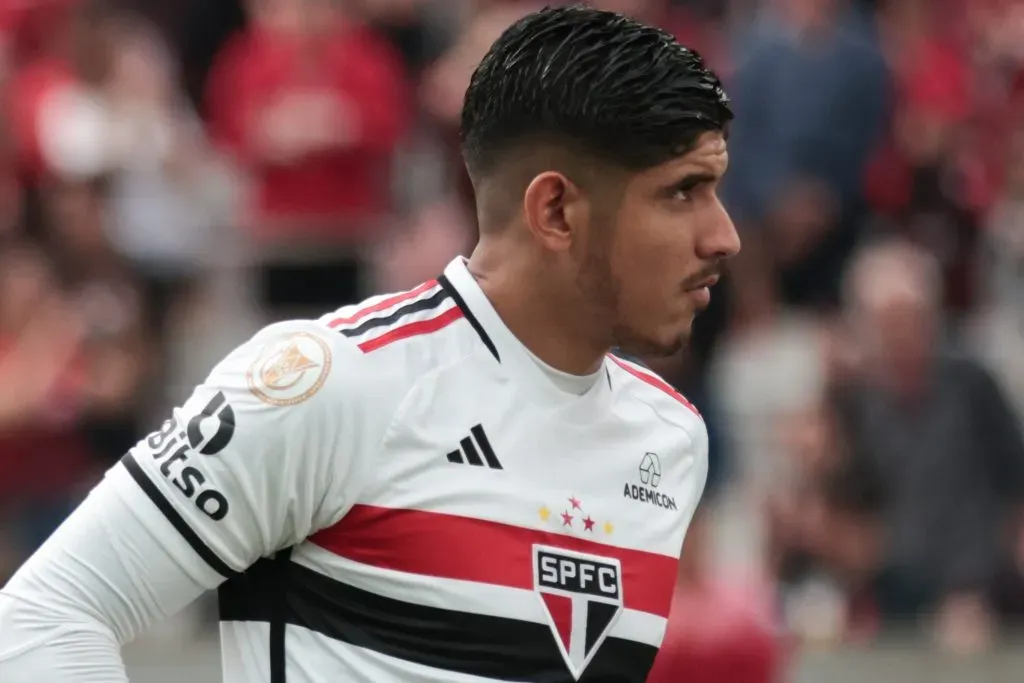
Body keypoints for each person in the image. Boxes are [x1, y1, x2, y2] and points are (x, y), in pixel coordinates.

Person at [0, 5, 739, 682]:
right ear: (554, 209)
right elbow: (43, 615)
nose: (723, 236)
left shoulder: (671, 439)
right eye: (682, 192)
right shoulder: (332, 383)